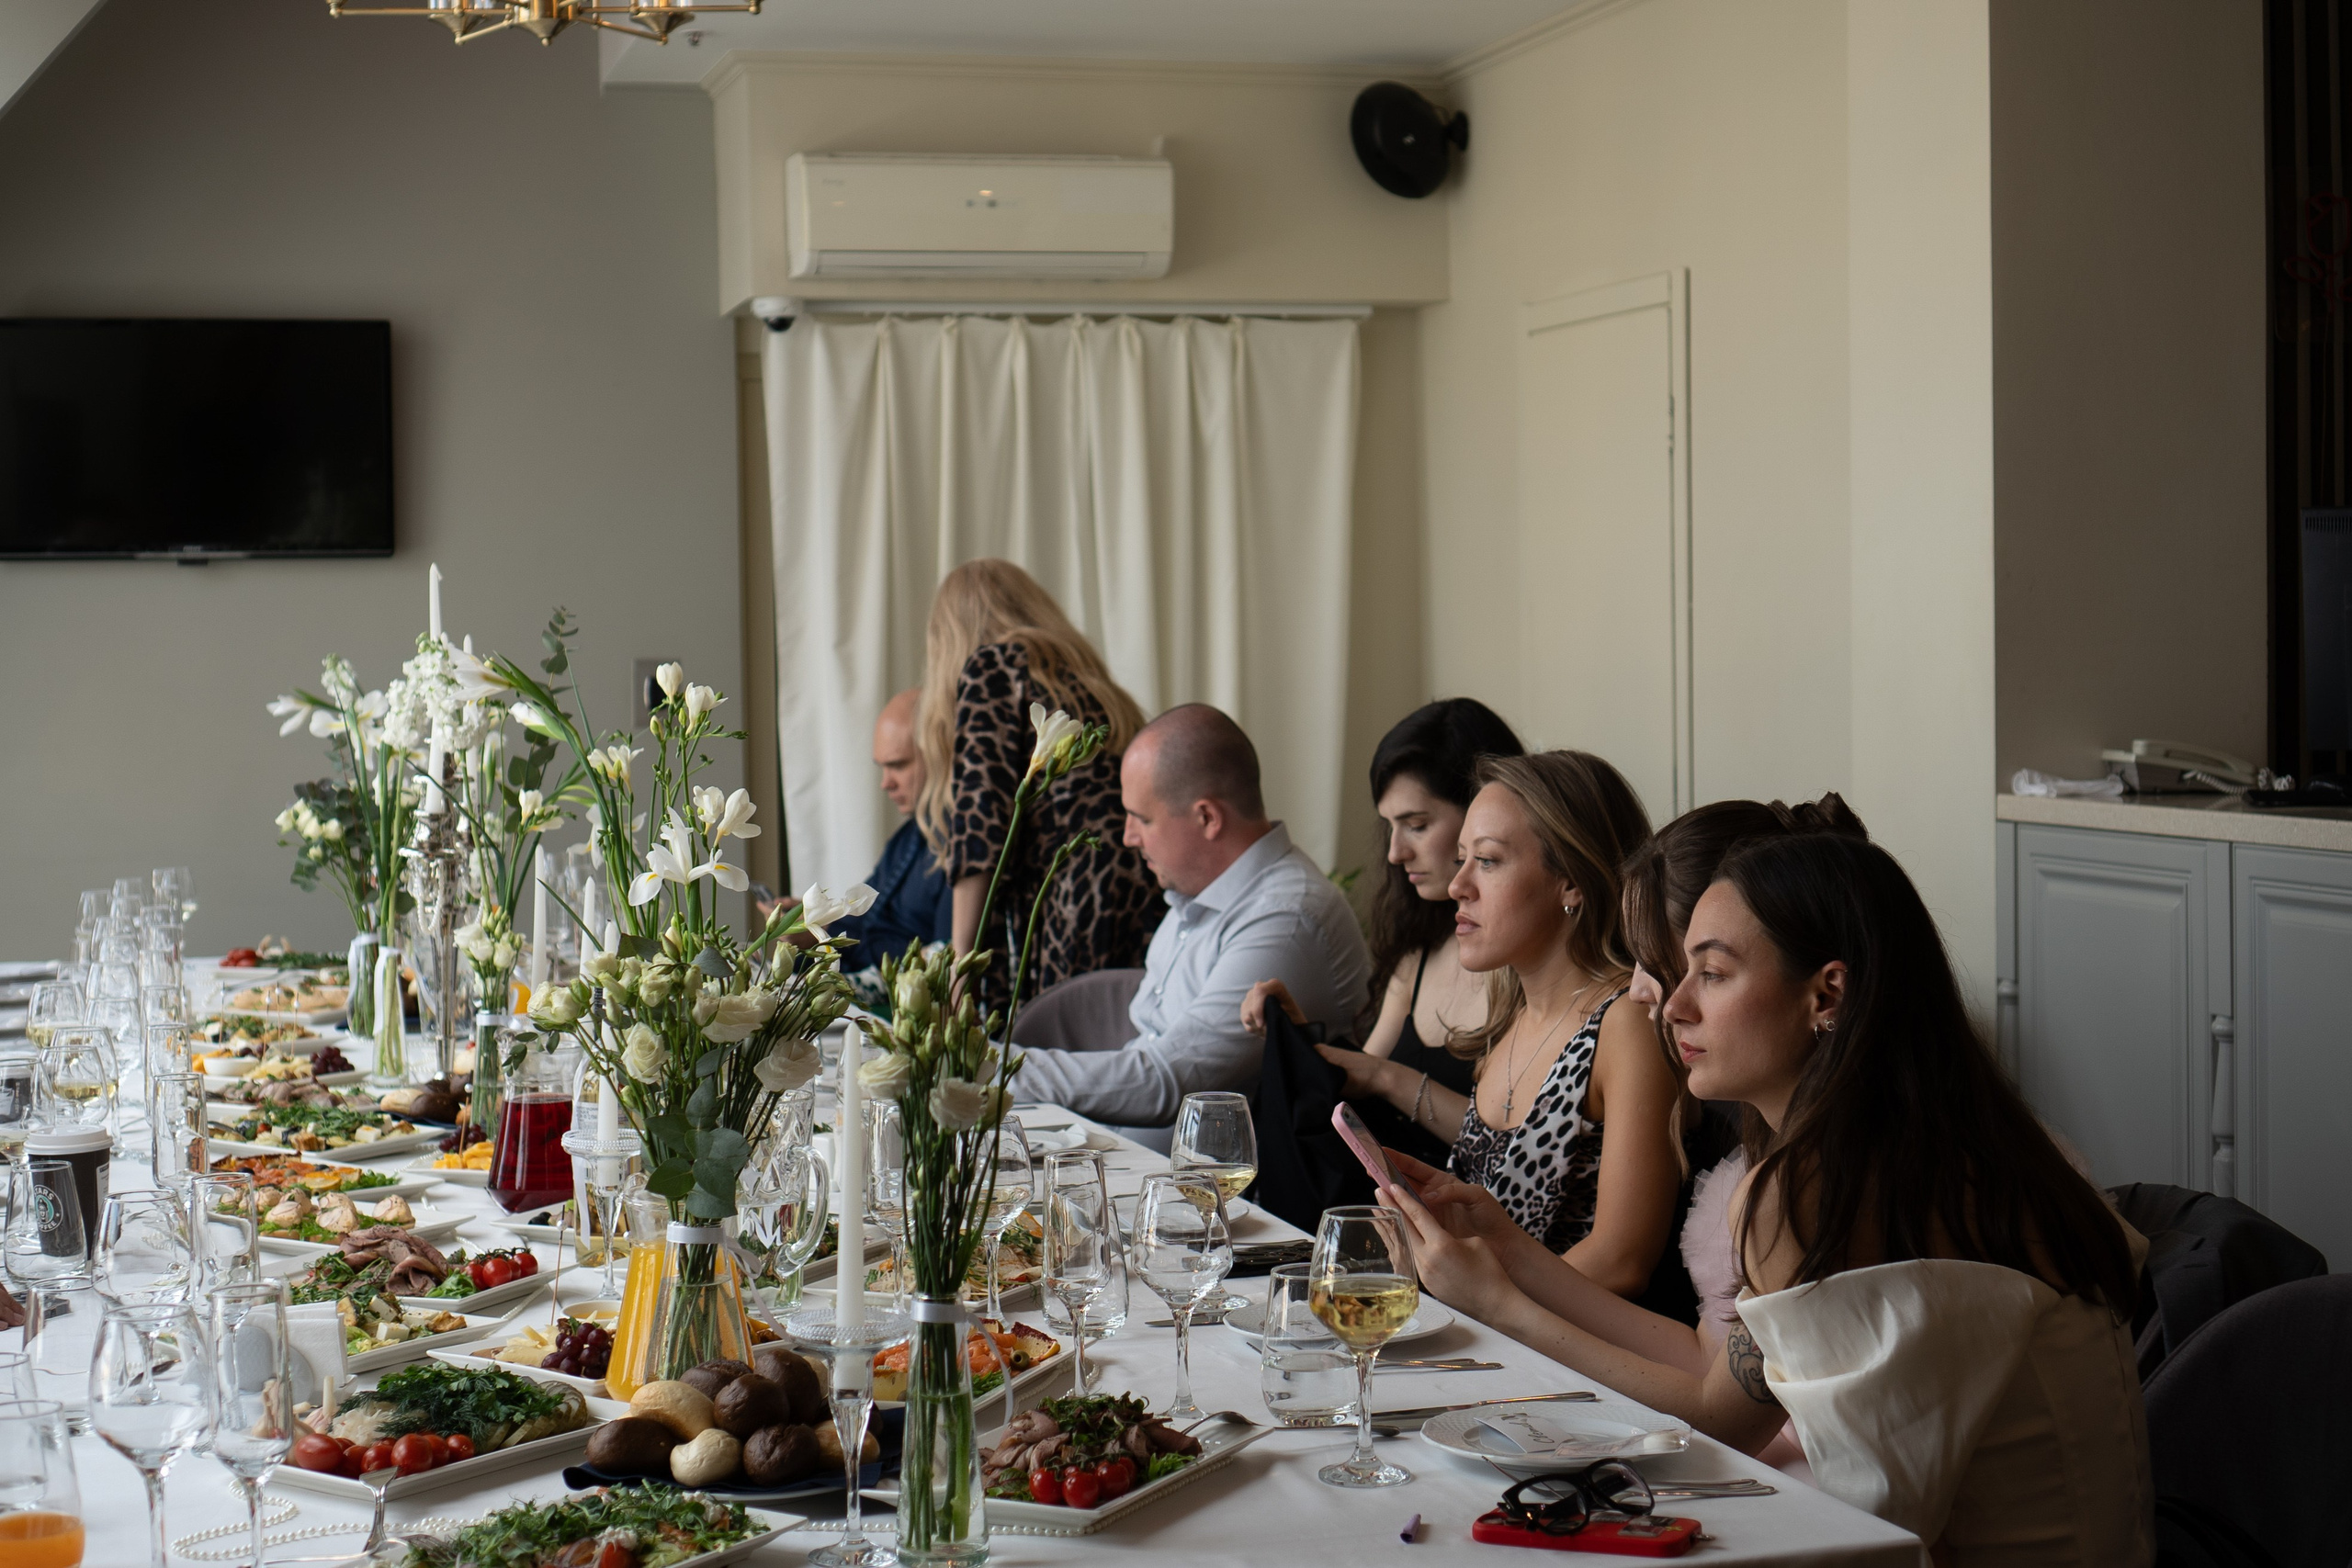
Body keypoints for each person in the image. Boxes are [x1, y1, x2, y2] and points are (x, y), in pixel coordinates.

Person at [1384, 831, 2153, 1562]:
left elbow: (1719, 1420)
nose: (1674, 1005)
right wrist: (1512, 1252)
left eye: (1713, 974)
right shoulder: (1941, 1140)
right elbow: (1713, 1374)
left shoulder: (1820, 1183)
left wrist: (1497, 1304)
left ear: (1827, 994)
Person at [1318, 750, 1684, 1300]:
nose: (1458, 885)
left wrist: (1477, 1299)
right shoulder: (1512, 1015)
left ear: (1572, 882)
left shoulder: (1626, 1022)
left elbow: (1620, 1262)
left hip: (1551, 1347)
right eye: (1461, 859)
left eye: (1487, 861)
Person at [1012, 704, 1374, 1128]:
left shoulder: (1285, 919)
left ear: (1207, 817)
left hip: (1211, 1172)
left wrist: (997, 1071)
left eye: (1142, 819)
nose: (1128, 837)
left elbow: (1168, 1083)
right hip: (1138, 1158)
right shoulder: (1201, 892)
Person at [1241, 698, 1523, 1165]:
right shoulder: (1418, 957)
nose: (1395, 853)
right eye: (1390, 826)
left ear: (1485, 813)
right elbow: (1358, 1102)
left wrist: (1388, 1078)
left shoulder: (1532, 969)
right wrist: (1297, 1036)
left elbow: (1522, 1150)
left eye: (1417, 825)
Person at [916, 559, 1159, 1014]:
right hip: (1139, 886)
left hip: (1073, 895)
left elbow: (980, 827)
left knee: (1062, 1048)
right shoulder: (1089, 682)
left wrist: (961, 966)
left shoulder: (993, 667)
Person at [823, 690, 955, 959]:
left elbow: (947, 961)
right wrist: (814, 925)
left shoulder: (960, 848)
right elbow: (863, 918)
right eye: (882, 767)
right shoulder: (907, 838)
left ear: (939, 753)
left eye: (898, 765)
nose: (886, 783)